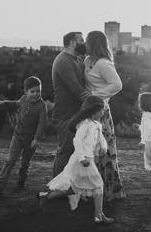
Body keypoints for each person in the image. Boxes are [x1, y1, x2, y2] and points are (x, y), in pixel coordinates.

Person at [38, 95, 115, 224]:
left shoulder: (97, 124)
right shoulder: (84, 124)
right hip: (81, 160)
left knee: (72, 189)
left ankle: (47, 196)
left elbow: (101, 139)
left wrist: (103, 147)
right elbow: (77, 140)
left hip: (88, 159)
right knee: (98, 185)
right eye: (102, 110)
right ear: (93, 110)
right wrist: (81, 158)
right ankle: (99, 216)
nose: (103, 113)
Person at [84, 30, 126, 201]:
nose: (85, 44)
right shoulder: (88, 61)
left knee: (104, 152)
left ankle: (108, 191)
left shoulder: (103, 63)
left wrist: (96, 94)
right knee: (89, 151)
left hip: (101, 112)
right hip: (87, 111)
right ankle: (90, 189)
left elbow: (117, 84)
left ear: (93, 43)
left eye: (87, 41)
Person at [0, 76, 47, 197]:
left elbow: (42, 124)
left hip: (31, 140)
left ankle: (21, 182)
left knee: (25, 163)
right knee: (10, 160)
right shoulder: (22, 99)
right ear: (26, 91)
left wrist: (37, 138)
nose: (36, 94)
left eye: (38, 91)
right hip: (18, 137)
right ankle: (0, 185)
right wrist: (4, 103)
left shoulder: (42, 106)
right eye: (32, 91)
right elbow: (15, 104)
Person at [51, 32, 91, 177]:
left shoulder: (77, 60)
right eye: (81, 40)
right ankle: (57, 188)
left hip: (76, 114)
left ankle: (69, 188)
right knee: (66, 151)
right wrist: (97, 101)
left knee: (76, 152)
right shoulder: (63, 61)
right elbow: (77, 90)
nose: (84, 43)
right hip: (65, 116)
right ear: (73, 43)